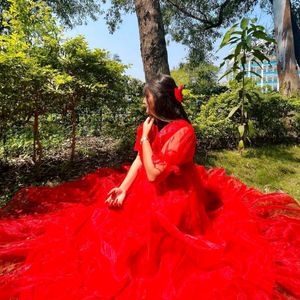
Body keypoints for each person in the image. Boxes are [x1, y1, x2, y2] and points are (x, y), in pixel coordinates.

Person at [0, 74, 299, 299]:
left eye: (147, 98)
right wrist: (124, 188)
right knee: (105, 223)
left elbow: (155, 173)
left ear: (161, 100)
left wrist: (145, 139)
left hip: (176, 198)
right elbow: (140, 162)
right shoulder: (152, 123)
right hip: (149, 188)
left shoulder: (184, 132)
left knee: (152, 244)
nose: (144, 103)